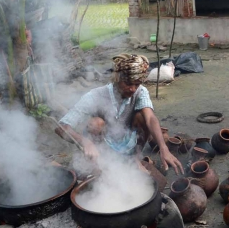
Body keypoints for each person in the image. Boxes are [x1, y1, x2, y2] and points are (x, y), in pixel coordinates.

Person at [55, 53, 184, 174]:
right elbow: (61, 127)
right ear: (117, 78)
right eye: (128, 83)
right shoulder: (95, 96)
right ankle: (99, 165)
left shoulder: (141, 91)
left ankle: (135, 158)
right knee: (96, 123)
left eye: (137, 84)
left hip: (126, 140)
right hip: (101, 145)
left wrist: (163, 147)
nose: (132, 89)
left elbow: (150, 119)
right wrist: (84, 141)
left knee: (142, 117)